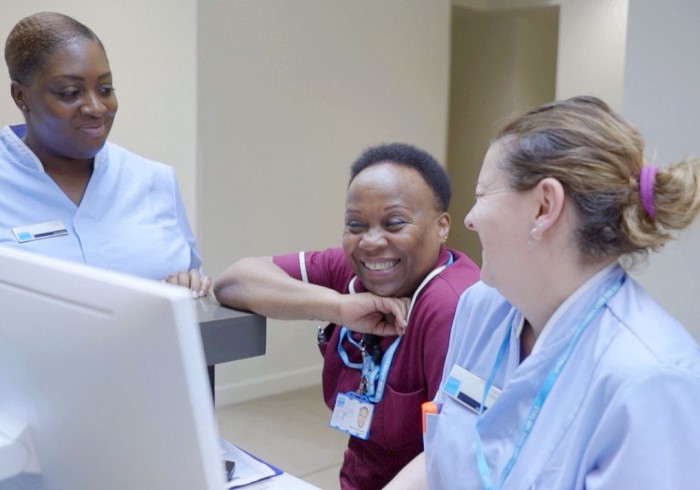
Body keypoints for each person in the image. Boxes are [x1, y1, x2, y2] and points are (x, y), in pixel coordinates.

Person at [386, 96, 700, 489]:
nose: (470, 217)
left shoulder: (651, 379)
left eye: (482, 194)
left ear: (544, 207)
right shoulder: (480, 308)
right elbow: (443, 454)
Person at [214, 142, 480, 489]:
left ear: (442, 226)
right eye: (355, 225)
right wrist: (338, 307)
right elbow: (233, 282)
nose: (370, 242)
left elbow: (456, 451)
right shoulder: (356, 271)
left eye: (394, 223)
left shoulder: (451, 304)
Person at [1, 12, 209, 296]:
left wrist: (190, 287)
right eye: (70, 92)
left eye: (105, 89)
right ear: (20, 96)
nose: (96, 107)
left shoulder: (154, 181)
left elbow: (195, 296)